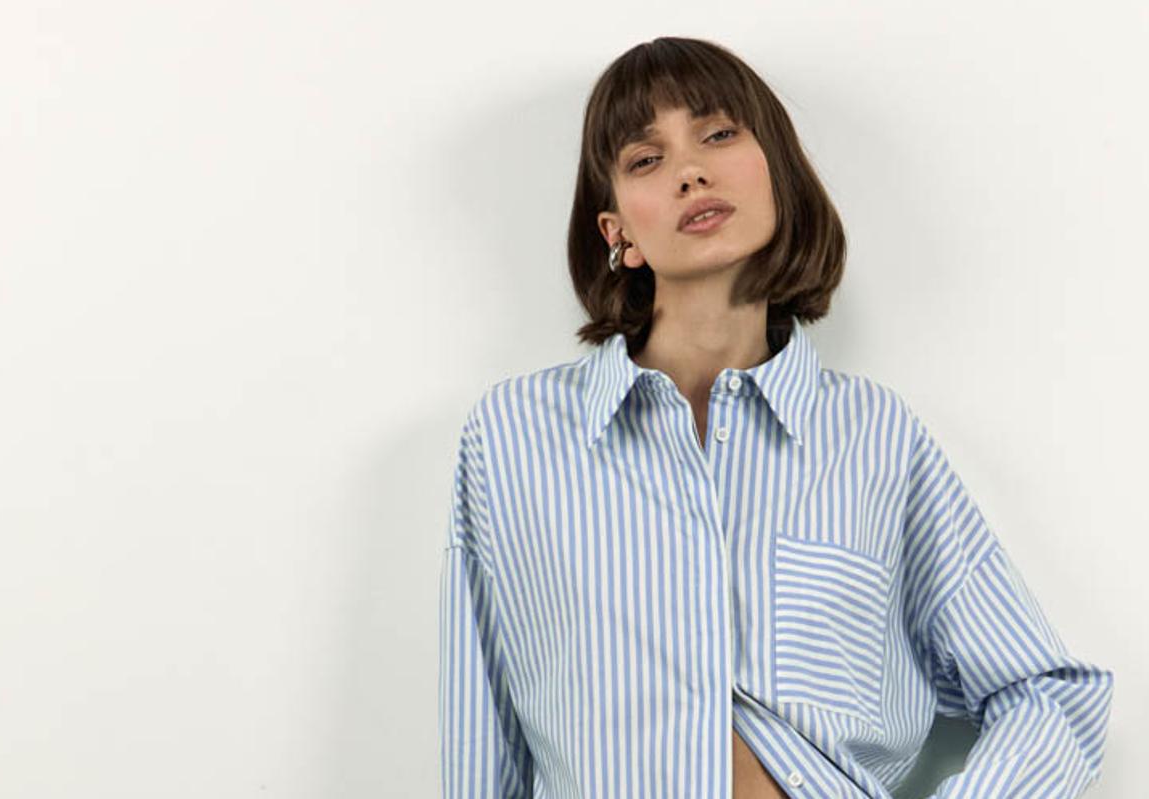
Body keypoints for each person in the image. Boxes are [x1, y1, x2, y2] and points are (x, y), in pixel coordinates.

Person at [438, 36, 1114, 799]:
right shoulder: (513, 436)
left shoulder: (872, 436)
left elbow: (1048, 692)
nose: (691, 171)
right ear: (616, 230)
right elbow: (481, 738)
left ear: (777, 174)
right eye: (646, 159)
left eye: (719, 133)